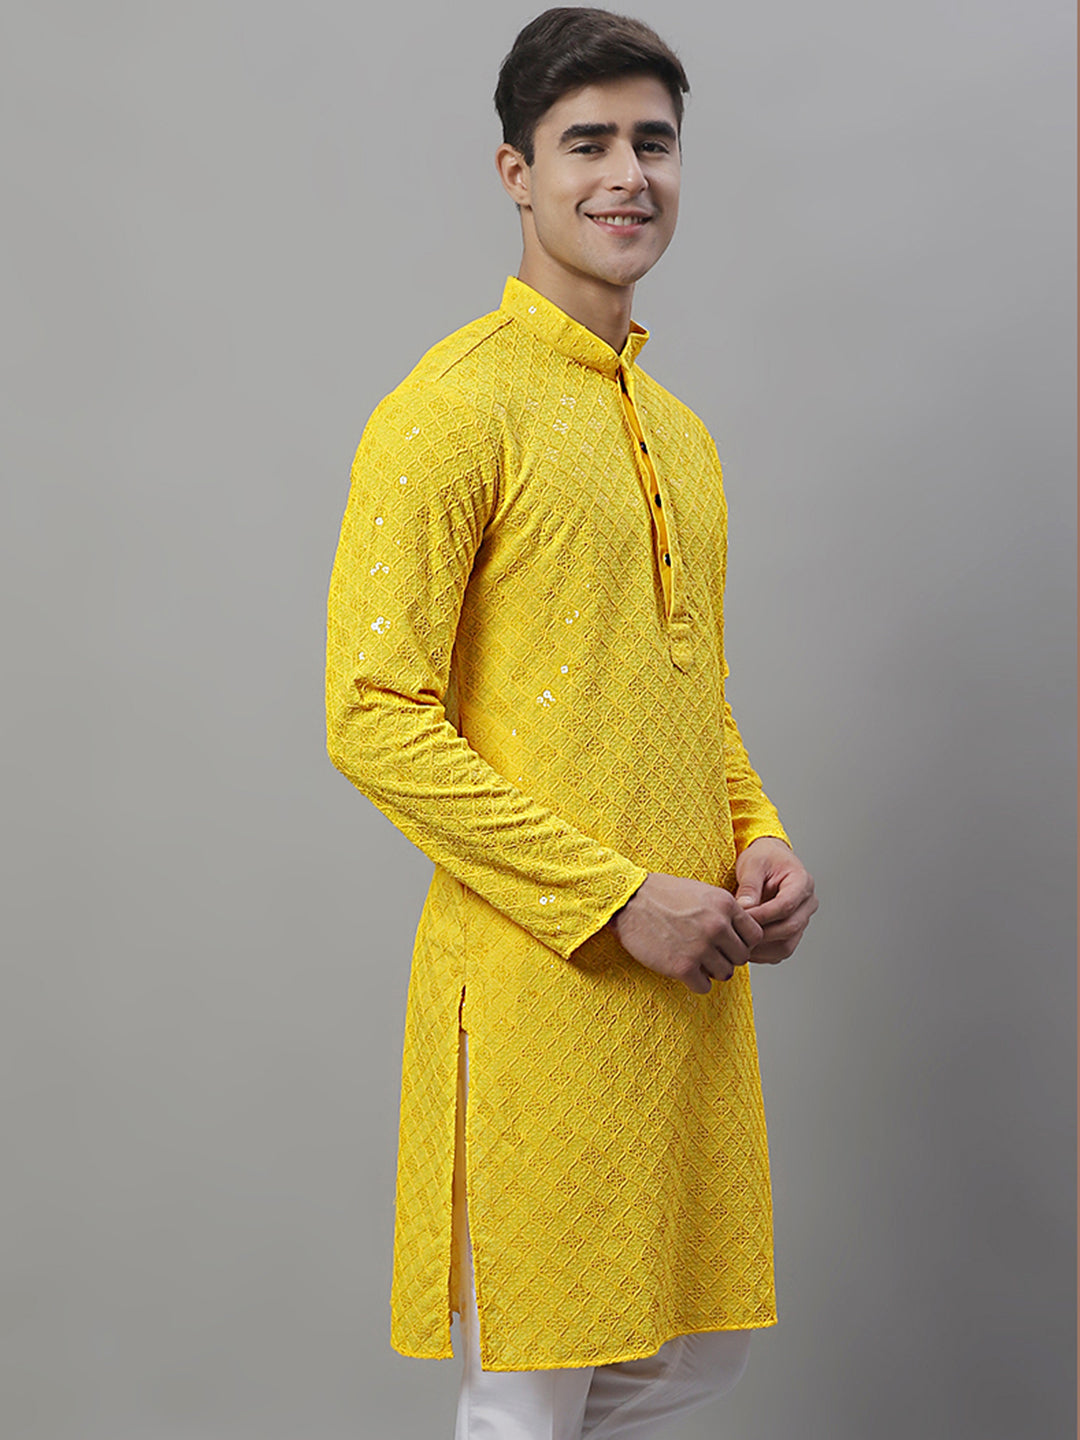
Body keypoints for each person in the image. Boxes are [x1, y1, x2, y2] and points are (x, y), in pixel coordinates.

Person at [325, 8, 818, 1436]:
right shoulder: (450, 409)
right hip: (540, 981)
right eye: (586, 143)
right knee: (530, 1384)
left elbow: (688, 685)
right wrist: (612, 901)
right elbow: (373, 718)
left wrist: (759, 835)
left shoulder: (680, 436)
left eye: (653, 143)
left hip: (687, 979)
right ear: (516, 173)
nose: (626, 175)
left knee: (691, 1356)